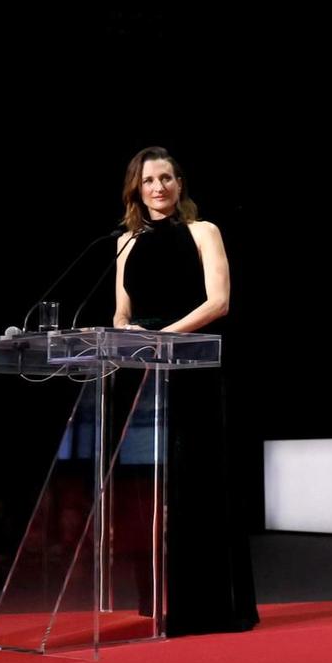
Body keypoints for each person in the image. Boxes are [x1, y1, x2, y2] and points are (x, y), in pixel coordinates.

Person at [112, 146, 259, 636]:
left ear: (180, 184)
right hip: (144, 374)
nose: (159, 187)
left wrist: (166, 338)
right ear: (137, 187)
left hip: (197, 369)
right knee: (155, 488)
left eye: (167, 178)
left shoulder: (204, 232)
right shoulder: (124, 243)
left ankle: (215, 607)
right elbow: (120, 316)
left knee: (199, 481)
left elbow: (218, 302)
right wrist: (130, 338)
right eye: (150, 180)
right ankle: (162, 602)